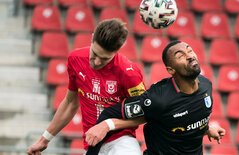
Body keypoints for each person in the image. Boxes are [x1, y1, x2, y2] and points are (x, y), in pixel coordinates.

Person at [27, 19, 146, 155]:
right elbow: (70, 103)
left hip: (121, 143)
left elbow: (145, 113)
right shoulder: (75, 59)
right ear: (92, 37)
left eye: (104, 59)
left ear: (116, 51)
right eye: (95, 54)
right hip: (91, 146)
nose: (96, 62)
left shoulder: (129, 73)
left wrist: (108, 125)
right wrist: (44, 140)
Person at [85, 41, 226, 155]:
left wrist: (207, 128)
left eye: (189, 50)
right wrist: (106, 125)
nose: (189, 56)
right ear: (171, 70)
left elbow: (188, 115)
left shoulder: (206, 85)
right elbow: (111, 113)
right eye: (180, 55)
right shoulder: (158, 98)